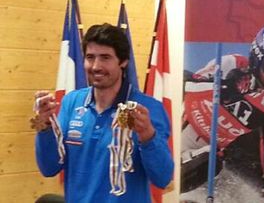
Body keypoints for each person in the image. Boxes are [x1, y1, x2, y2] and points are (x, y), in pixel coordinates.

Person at [31, 23, 174, 203]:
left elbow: (162, 178)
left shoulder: (147, 108)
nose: (96, 66)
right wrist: (44, 128)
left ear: (123, 61)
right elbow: (49, 168)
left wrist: (148, 136)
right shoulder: (71, 103)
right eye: (90, 57)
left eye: (105, 57)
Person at [181, 23, 264, 202]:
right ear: (257, 59)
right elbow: (187, 85)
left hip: (204, 154)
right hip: (180, 129)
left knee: (213, 162)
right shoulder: (231, 63)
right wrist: (220, 86)